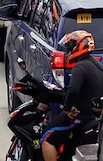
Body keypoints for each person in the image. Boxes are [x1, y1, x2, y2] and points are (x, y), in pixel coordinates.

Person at [41, 31, 103, 161]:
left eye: (70, 47)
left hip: (81, 116)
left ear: (78, 47)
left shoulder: (79, 67)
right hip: (94, 115)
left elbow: (73, 90)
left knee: (47, 138)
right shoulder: (97, 64)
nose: (68, 50)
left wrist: (67, 109)